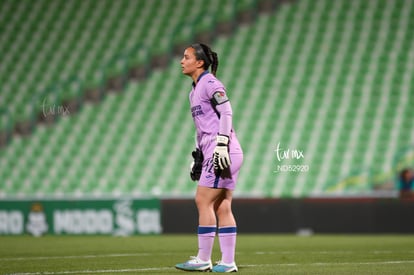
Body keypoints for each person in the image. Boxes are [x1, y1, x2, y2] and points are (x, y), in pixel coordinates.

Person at [175, 43, 243, 273]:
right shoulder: (194, 90)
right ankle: (228, 261)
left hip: (222, 151)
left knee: (202, 200)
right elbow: (201, 127)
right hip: (217, 151)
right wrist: (198, 154)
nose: (182, 61)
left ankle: (204, 258)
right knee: (222, 205)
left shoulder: (210, 83)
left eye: (186, 57)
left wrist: (221, 143)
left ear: (200, 62)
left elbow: (226, 111)